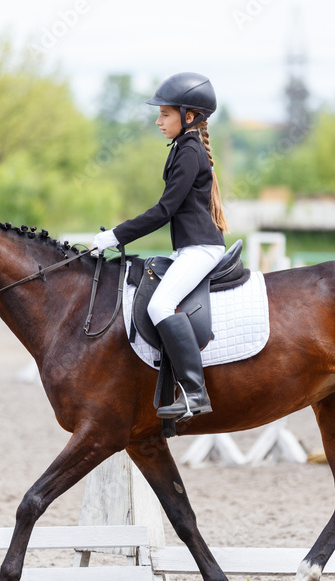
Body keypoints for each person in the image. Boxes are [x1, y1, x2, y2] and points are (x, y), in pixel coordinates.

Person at [92, 72, 229, 421]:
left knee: (161, 305)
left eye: (165, 114)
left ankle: (196, 393)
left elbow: (164, 210)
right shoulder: (184, 149)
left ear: (189, 116)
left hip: (201, 248)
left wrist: (116, 236)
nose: (158, 121)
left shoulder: (189, 152)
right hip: (190, 247)